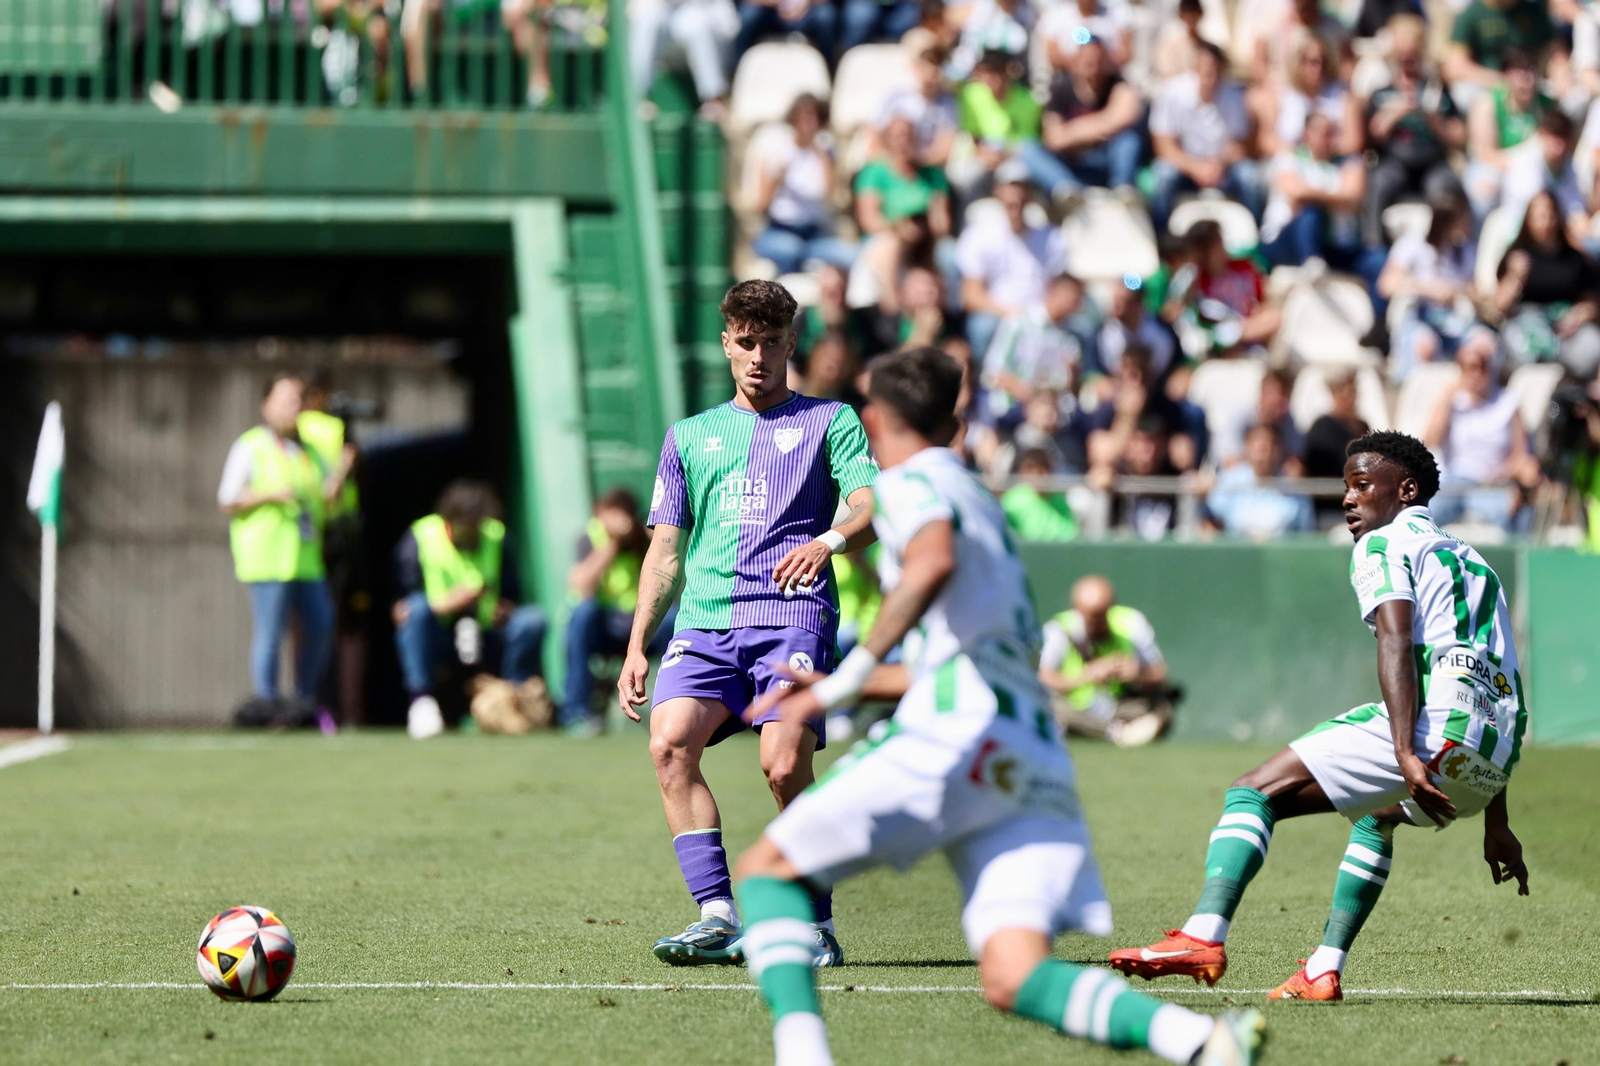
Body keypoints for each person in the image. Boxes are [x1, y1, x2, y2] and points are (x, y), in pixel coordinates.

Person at [727, 345, 1265, 1066]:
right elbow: (961, 653)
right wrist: (872, 681)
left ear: (877, 419)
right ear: (954, 421)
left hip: (956, 734)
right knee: (1014, 974)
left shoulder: (911, 482)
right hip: (1027, 747)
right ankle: (1198, 1041)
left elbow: (930, 561)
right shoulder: (979, 496)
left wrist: (843, 680)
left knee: (768, 873)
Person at [1110, 430, 1530, 1001]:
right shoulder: (1476, 563)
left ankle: (1202, 935)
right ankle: (1322, 969)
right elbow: (1498, 678)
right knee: (1375, 816)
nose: (1349, 499)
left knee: (1253, 791)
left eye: (1362, 484)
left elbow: (1395, 639)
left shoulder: (1383, 545)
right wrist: (1495, 818)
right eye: (1345, 487)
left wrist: (1406, 750)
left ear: (1405, 489)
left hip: (1434, 733)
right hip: (1491, 757)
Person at [620, 280, 879, 968]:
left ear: (792, 343)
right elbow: (665, 550)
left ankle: (815, 923)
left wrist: (831, 541)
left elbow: (869, 507)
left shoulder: (831, 421)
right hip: (704, 624)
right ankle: (716, 915)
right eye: (745, 342)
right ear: (726, 343)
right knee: (670, 744)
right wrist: (638, 642)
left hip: (792, 617)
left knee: (783, 762)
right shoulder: (689, 437)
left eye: (771, 342)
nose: (758, 356)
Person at [218, 373, 335, 719]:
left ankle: (303, 701)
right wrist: (269, 495)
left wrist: (342, 471)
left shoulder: (308, 451)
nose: (293, 408)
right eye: (285, 401)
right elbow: (227, 498)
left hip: (306, 558)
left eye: (298, 401)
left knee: (321, 626)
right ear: (266, 405)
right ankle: (267, 702)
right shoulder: (250, 446)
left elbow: (324, 500)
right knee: (270, 633)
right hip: (268, 557)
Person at [392, 480, 548, 739]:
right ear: (450, 522)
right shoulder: (422, 536)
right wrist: (453, 602)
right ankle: (422, 702)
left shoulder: (497, 536)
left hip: (488, 633)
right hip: (440, 632)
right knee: (415, 612)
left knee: (531, 621)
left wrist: (505, 610)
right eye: (467, 528)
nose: (474, 534)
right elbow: (403, 599)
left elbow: (513, 593)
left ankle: (510, 698)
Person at [562, 488, 673, 735]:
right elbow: (581, 585)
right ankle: (576, 712)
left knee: (675, 619)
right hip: (604, 627)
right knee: (581, 614)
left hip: (641, 625)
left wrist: (646, 536)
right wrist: (612, 543)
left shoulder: (643, 540)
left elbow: (670, 584)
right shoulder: (591, 537)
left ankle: (676, 711)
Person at [296, 370, 365, 727]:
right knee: (336, 626)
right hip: (331, 533)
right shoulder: (321, 429)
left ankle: (312, 708)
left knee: (311, 626)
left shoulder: (304, 429)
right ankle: (332, 710)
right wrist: (342, 469)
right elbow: (340, 481)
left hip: (318, 534)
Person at [1361, 14, 1466, 248]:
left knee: (1446, 188)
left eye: (1412, 56)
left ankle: (1444, 250)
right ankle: (1374, 249)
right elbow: (1372, 136)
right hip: (1395, 162)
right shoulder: (1382, 93)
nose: (1408, 61)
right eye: (1403, 56)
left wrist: (1431, 117)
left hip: (1433, 162)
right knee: (1378, 183)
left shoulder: (1438, 92)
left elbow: (1459, 136)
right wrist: (1397, 112)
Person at [1424, 330, 1544, 531]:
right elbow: (1430, 441)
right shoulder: (1452, 401)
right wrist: (1446, 399)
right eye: (1468, 367)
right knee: (1423, 512)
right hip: (1453, 483)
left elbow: (1521, 455)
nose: (1475, 374)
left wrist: (1507, 474)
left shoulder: (1508, 402)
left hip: (1491, 484)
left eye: (1481, 366)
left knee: (1513, 511)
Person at [1039, 574, 1171, 745]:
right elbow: (1042, 679)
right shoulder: (1059, 630)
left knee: (1162, 708)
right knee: (1050, 707)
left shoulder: (1131, 623)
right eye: (1092, 616)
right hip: (1076, 707)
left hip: (1119, 706)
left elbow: (1160, 675)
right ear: (1076, 609)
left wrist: (1137, 675)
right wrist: (1087, 675)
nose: (1097, 622)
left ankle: (1104, 730)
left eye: (1102, 615)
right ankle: (1116, 732)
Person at [955, 160, 1068, 359]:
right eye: (1009, 187)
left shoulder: (1052, 238)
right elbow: (971, 294)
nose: (1015, 194)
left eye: (1021, 187)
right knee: (982, 327)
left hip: (1041, 315)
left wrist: (1040, 314)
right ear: (997, 192)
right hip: (997, 316)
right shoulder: (978, 236)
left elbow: (1062, 288)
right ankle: (988, 384)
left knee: (1080, 327)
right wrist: (1012, 314)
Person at [1149, 42, 1263, 231]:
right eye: (1206, 71)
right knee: (1163, 176)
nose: (1211, 78)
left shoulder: (1235, 96)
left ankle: (1256, 241)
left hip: (1222, 168)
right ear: (1195, 69)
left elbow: (1241, 145)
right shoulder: (1172, 92)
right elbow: (1164, 146)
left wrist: (1217, 165)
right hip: (1184, 167)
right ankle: (1162, 239)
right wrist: (1195, 167)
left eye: (1215, 72)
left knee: (1250, 176)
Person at [1022, 32, 1144, 205]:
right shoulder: (1060, 89)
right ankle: (1066, 190)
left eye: (1097, 61)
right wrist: (1101, 126)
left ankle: (1123, 189)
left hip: (1105, 160)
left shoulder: (1119, 84)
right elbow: (1053, 138)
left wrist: (1072, 132)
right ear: (1076, 61)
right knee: (1028, 149)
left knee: (1129, 140)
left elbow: (1125, 116)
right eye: (1087, 61)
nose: (1093, 68)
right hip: (1072, 162)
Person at [852, 114, 953, 314]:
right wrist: (898, 227)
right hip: (886, 237)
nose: (904, 141)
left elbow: (942, 222)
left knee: (949, 254)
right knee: (891, 245)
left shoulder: (933, 175)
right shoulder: (874, 172)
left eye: (908, 135)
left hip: (924, 241)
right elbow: (869, 220)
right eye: (898, 136)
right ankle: (893, 309)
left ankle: (945, 313)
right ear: (888, 139)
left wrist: (927, 227)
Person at [1495, 190, 1600, 379]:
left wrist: (1580, 314)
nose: (1545, 222)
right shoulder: (1517, 256)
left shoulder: (1575, 258)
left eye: (1550, 215)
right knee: (1521, 351)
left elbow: (1592, 301)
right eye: (1539, 217)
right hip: (1527, 328)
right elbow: (1500, 306)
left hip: (1566, 330)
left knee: (1593, 347)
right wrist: (1515, 277)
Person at [1377, 190, 1478, 382]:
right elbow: (1386, 285)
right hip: (1418, 316)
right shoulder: (1412, 245)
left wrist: (1455, 291)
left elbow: (1476, 292)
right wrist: (1429, 289)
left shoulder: (1466, 251)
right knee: (1426, 345)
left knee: (1483, 345)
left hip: (1455, 320)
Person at [752, 94, 857, 276]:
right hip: (779, 231)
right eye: (805, 116)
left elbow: (831, 196)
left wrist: (824, 158)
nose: (810, 122)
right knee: (790, 250)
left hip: (814, 236)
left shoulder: (826, 152)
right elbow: (761, 204)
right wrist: (778, 176)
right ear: (794, 118)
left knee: (851, 256)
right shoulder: (776, 149)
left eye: (815, 116)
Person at [1259, 110, 1366, 270]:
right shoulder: (1288, 158)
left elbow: (1353, 198)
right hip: (1285, 241)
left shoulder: (1345, 164)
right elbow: (1295, 193)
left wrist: (1311, 195)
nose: (1331, 139)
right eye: (1325, 133)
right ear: (1307, 134)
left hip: (1336, 246)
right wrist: (1336, 200)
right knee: (1311, 212)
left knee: (1377, 260)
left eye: (1334, 132)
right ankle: (1311, 261)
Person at [980, 272, 1085, 426]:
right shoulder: (1018, 323)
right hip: (1013, 410)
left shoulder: (1071, 340)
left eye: (1076, 298)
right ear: (1053, 290)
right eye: (1069, 294)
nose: (1072, 301)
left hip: (1054, 417)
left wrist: (1072, 375)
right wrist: (1029, 395)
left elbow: (1067, 385)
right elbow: (994, 370)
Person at [1462, 49, 1552, 222]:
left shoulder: (1546, 105)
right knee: (1482, 194)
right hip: (1496, 166)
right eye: (1520, 74)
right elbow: (1485, 153)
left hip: (1534, 167)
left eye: (1531, 72)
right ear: (1506, 76)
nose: (1527, 81)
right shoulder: (1488, 102)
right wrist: (1517, 164)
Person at [1253, 29, 1362, 160]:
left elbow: (1354, 141)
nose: (1317, 68)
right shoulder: (1282, 94)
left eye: (1322, 61)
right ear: (1299, 62)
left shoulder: (1342, 95)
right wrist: (1300, 152)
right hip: (1292, 163)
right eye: (1312, 61)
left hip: (1334, 162)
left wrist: (1325, 148)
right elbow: (1266, 140)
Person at [951, 50, 1043, 200]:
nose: (994, 78)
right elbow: (973, 136)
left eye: (998, 71)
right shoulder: (970, 95)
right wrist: (985, 155)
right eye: (988, 72)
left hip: (1012, 157)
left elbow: (1028, 145)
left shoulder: (1028, 100)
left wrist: (1003, 156)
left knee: (1016, 175)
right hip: (982, 156)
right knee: (964, 178)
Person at [1500, 109, 1592, 250]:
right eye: (1554, 137)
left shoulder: (1568, 166)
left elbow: (1575, 208)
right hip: (1520, 238)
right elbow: (1537, 213)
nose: (1559, 146)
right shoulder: (1525, 162)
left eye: (1563, 138)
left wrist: (1581, 224)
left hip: (1554, 235)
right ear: (1542, 135)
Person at [1205, 422, 1315, 538]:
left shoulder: (1295, 490)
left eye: (1271, 448)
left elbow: (1306, 535)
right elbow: (1210, 516)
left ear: (1280, 450)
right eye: (1260, 449)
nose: (1265, 456)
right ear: (1248, 449)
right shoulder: (1230, 482)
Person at [629, 0, 737, 115]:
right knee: (649, 20)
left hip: (702, 14)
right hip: (666, 18)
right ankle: (640, 98)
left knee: (698, 23)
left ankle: (714, 101)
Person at [873, 28, 959, 169]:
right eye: (927, 61)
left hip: (926, 173)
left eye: (937, 61)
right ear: (916, 64)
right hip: (891, 168)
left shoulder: (949, 103)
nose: (933, 68)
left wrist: (913, 164)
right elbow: (875, 140)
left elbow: (944, 151)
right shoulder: (897, 97)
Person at [1443, 0, 1556, 102]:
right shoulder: (1471, 14)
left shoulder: (1533, 11)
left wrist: (1560, 75)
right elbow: (1455, 67)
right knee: (1467, 95)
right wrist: (1502, 81)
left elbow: (1556, 51)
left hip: (1531, 81)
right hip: (1488, 86)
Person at [1304, 366, 1370, 480]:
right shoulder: (1322, 427)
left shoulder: (1362, 426)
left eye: (1353, 390)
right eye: (1345, 391)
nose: (1351, 397)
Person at [734, 0, 839, 71]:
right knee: (748, 15)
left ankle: (828, 71)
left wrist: (805, 3)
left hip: (808, 10)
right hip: (770, 11)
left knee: (825, 16)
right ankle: (739, 71)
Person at [1001, 447, 1080, 540]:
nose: (1036, 475)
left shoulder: (1061, 499)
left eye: (1041, 470)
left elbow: (1070, 535)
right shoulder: (1012, 501)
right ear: (1022, 471)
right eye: (1030, 470)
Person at [839, 0, 922, 55]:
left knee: (911, 19)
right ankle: (848, 63)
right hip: (864, 3)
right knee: (861, 18)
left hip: (901, 4)